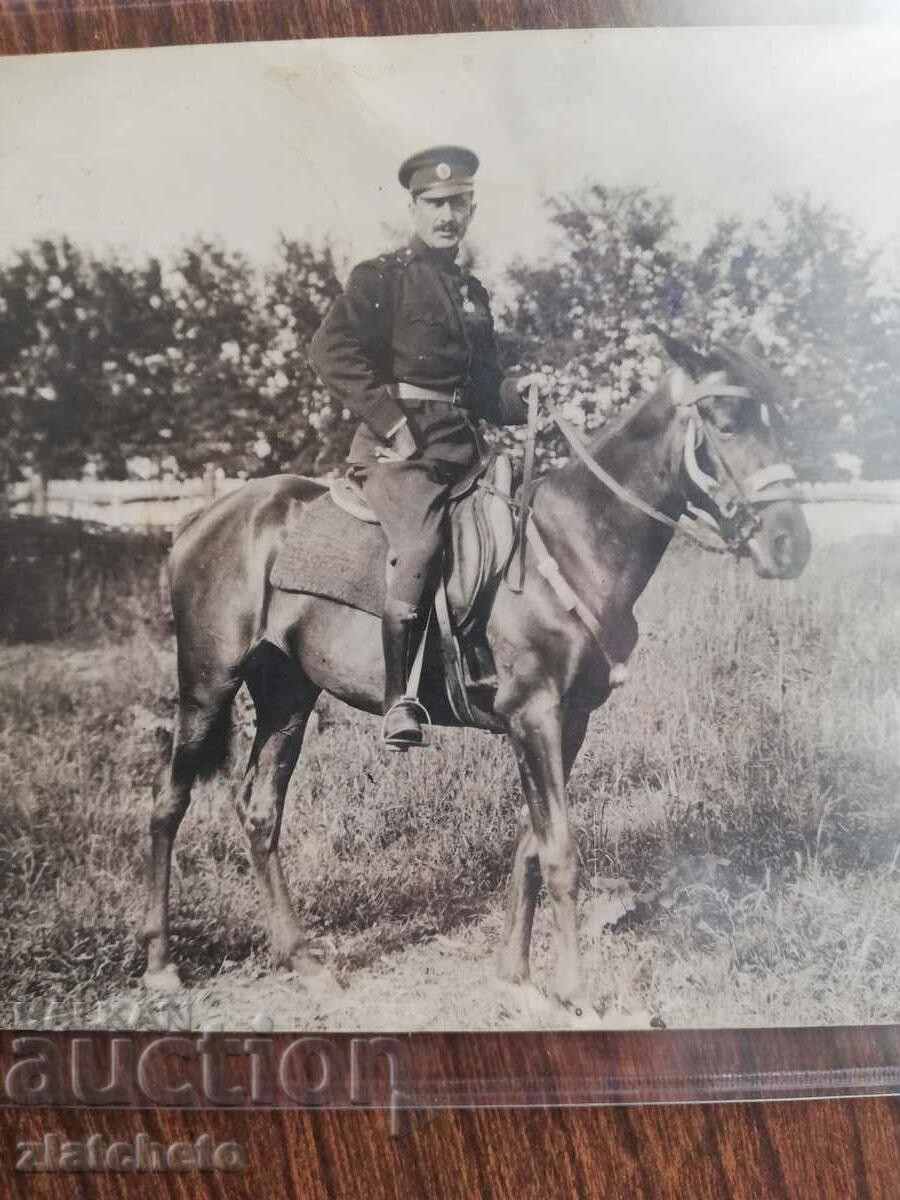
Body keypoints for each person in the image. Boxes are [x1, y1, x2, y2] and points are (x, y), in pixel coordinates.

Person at [309, 145, 535, 749]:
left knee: (511, 533)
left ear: (471, 208)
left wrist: (522, 394)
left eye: (457, 203)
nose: (446, 215)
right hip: (400, 453)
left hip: (466, 451)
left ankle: (479, 664)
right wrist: (391, 422)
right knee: (419, 544)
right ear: (413, 206)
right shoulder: (383, 278)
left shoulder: (473, 294)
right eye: (434, 203)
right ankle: (399, 698)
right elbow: (329, 351)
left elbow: (484, 390)